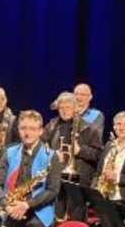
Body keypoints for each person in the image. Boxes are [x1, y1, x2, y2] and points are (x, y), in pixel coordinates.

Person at [43, 92, 102, 220]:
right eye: (61, 108)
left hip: (78, 180)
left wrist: (80, 151)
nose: (64, 111)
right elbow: (41, 146)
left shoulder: (89, 128)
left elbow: (99, 155)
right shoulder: (52, 126)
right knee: (56, 218)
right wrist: (52, 154)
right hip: (56, 178)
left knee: (75, 219)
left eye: (67, 107)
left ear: (76, 108)